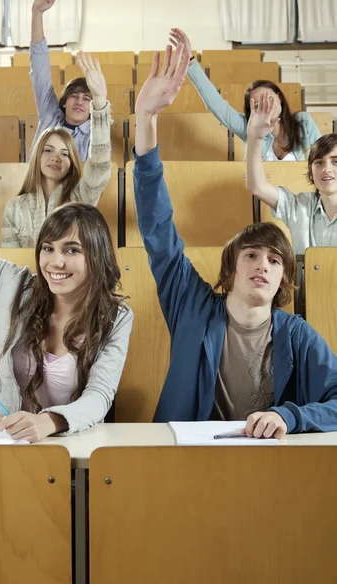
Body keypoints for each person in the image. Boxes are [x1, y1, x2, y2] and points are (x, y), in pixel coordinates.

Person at [132, 44, 337, 439]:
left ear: (284, 280)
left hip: (266, 472)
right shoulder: (191, 306)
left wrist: (289, 417)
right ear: (230, 268)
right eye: (252, 254)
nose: (263, 264)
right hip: (186, 466)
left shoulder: (296, 334)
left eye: (275, 261)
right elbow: (158, 228)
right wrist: (145, 119)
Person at [0, 78, 133, 442]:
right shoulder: (13, 284)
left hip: (71, 445)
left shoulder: (116, 316)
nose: (55, 262)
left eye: (72, 250)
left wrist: (51, 421)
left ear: (96, 255)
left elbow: (100, 395)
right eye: (48, 248)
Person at [2, 53, 111, 248]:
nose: (56, 158)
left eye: (65, 153)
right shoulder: (15, 208)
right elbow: (12, 262)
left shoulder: (80, 200)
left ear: (72, 164)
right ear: (37, 157)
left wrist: (100, 99)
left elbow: (100, 165)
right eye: (48, 150)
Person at [168, 28, 321, 161]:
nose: (265, 106)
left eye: (269, 98)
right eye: (257, 105)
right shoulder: (249, 129)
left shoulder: (303, 123)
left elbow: (323, 158)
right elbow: (216, 104)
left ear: (279, 98)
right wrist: (190, 59)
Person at [246, 92, 337, 254]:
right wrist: (254, 137)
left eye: (335, 161)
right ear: (311, 172)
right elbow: (257, 187)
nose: (326, 169)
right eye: (318, 162)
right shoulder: (298, 206)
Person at [29, 0, 108, 161]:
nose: (79, 102)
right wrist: (37, 13)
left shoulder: (95, 136)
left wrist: (100, 98)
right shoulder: (50, 116)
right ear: (64, 102)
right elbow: (40, 71)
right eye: (74, 96)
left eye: (87, 99)